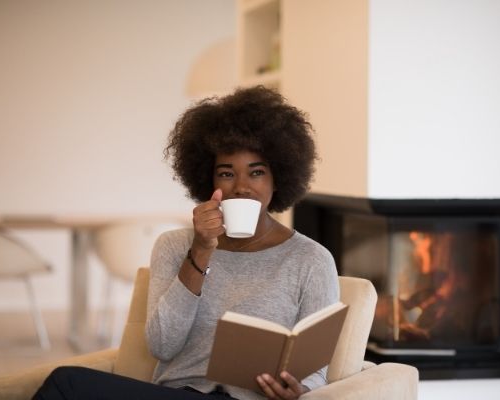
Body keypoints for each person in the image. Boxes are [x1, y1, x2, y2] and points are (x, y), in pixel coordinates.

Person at [32, 86, 339, 400]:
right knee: (64, 382)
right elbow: (163, 345)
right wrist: (201, 250)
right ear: (209, 181)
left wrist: (301, 391)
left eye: (256, 172)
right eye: (226, 173)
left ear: (278, 178)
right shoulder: (175, 246)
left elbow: (315, 369)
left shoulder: (311, 259)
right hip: (178, 392)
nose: (241, 187)